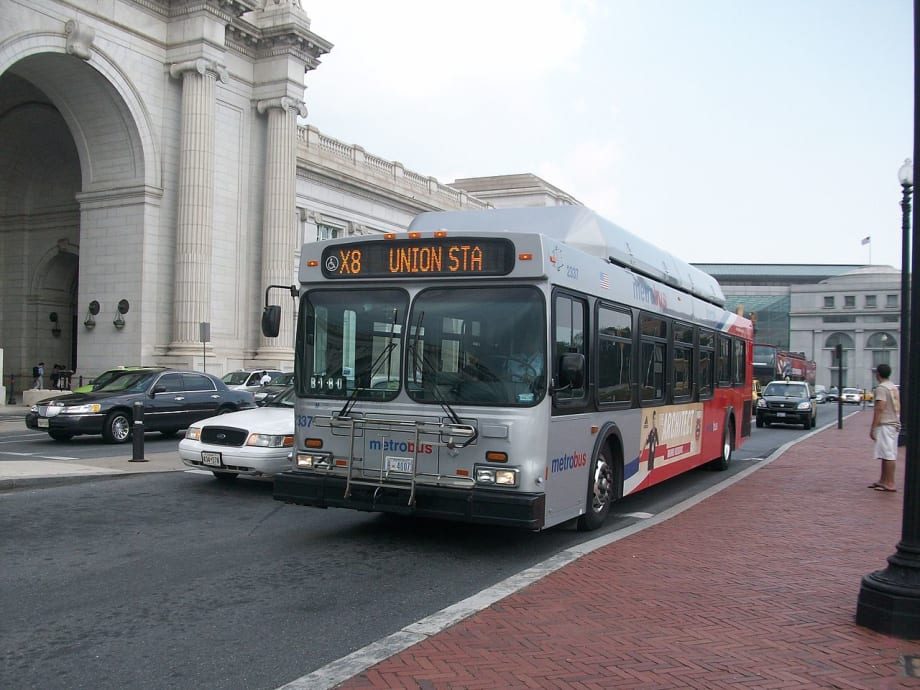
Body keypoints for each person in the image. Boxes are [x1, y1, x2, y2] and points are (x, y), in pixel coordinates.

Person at [868, 363, 901, 492]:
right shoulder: (893, 387)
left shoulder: (881, 388)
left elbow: (880, 408)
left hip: (886, 424)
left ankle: (890, 483)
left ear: (878, 374)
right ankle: (883, 480)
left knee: (888, 454)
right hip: (893, 422)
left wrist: (873, 427)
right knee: (885, 453)